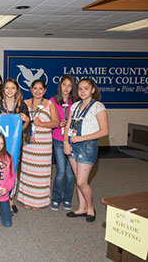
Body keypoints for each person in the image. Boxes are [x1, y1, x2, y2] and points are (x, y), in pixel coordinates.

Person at [64, 78, 108, 223]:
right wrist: (66, 142)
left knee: (83, 181)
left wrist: (82, 138)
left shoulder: (98, 107)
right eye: (80, 89)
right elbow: (68, 126)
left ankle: (90, 208)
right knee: (78, 180)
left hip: (87, 146)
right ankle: (81, 208)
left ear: (93, 90)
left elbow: (104, 131)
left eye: (86, 88)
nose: (82, 91)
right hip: (73, 145)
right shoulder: (75, 106)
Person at [17, 80, 59, 210]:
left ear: (45, 90)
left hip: (43, 144)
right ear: (31, 89)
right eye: (35, 88)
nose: (38, 91)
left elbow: (56, 123)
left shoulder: (50, 104)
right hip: (29, 142)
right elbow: (20, 123)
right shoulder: (25, 103)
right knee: (28, 171)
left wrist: (42, 124)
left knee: (41, 172)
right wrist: (25, 135)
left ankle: (39, 200)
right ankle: (27, 199)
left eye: (41, 89)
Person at [0, 78, 30, 214]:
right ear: (3, 90)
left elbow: (24, 128)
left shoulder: (22, 105)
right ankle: (1, 200)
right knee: (0, 171)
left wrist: (27, 121)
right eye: (7, 88)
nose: (10, 91)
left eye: (12, 88)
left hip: (16, 144)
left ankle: (11, 200)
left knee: (13, 172)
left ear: (17, 90)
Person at [50, 75, 77, 211]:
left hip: (72, 141)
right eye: (64, 84)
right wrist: (58, 124)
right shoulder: (53, 101)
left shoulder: (77, 102)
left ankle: (67, 198)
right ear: (60, 85)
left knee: (71, 172)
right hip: (58, 140)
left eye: (69, 85)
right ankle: (55, 198)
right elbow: (50, 120)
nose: (66, 88)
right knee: (60, 170)